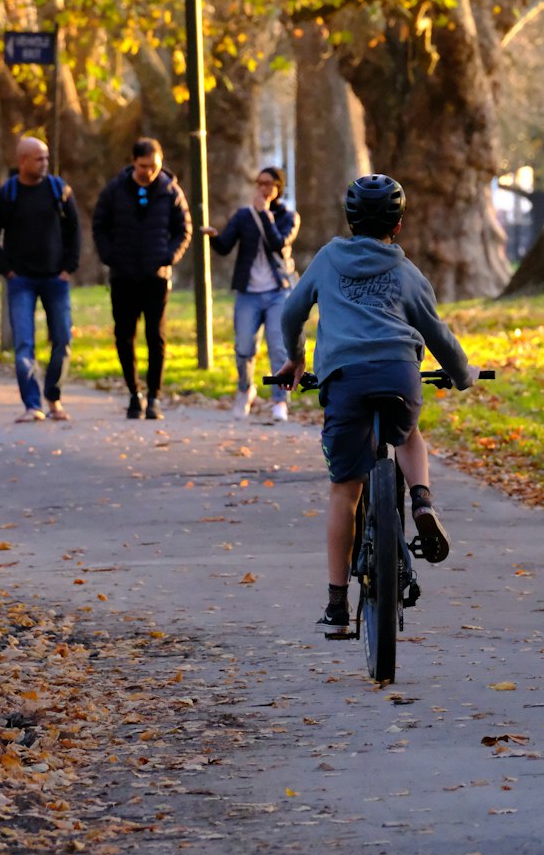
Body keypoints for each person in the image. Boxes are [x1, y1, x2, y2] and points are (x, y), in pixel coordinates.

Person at [275, 173, 479, 630]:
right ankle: (422, 500)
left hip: (344, 380)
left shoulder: (328, 260)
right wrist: (462, 374)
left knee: (345, 492)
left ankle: (336, 605)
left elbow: (291, 312)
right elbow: (435, 332)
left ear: (349, 220)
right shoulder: (406, 272)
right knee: (407, 432)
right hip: (398, 373)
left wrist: (295, 358)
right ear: (399, 225)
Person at [91, 137, 191, 420]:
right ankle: (133, 393)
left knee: (155, 337)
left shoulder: (170, 191)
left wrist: (167, 256)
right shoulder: (115, 190)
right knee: (124, 335)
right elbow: (100, 225)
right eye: (144, 166)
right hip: (123, 275)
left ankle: (154, 397)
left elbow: (184, 229)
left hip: (156, 276)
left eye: (154, 166)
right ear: (134, 162)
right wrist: (110, 255)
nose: (149, 171)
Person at [0, 135, 81, 423]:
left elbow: (74, 231)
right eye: (39, 158)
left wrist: (68, 268)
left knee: (62, 338)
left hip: (55, 278)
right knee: (24, 343)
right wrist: (7, 270)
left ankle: (54, 396)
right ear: (22, 161)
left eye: (47, 158)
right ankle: (32, 404)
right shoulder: (6, 195)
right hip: (21, 280)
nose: (45, 163)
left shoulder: (58, 190)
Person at [200, 165, 299, 422]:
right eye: (259, 183)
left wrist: (264, 214)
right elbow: (224, 247)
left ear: (279, 187)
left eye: (268, 184)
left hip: (278, 292)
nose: (263, 188)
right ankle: (245, 389)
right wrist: (213, 236)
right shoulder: (244, 216)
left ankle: (280, 400)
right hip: (249, 293)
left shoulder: (288, 216)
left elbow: (279, 243)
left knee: (278, 348)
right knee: (243, 346)